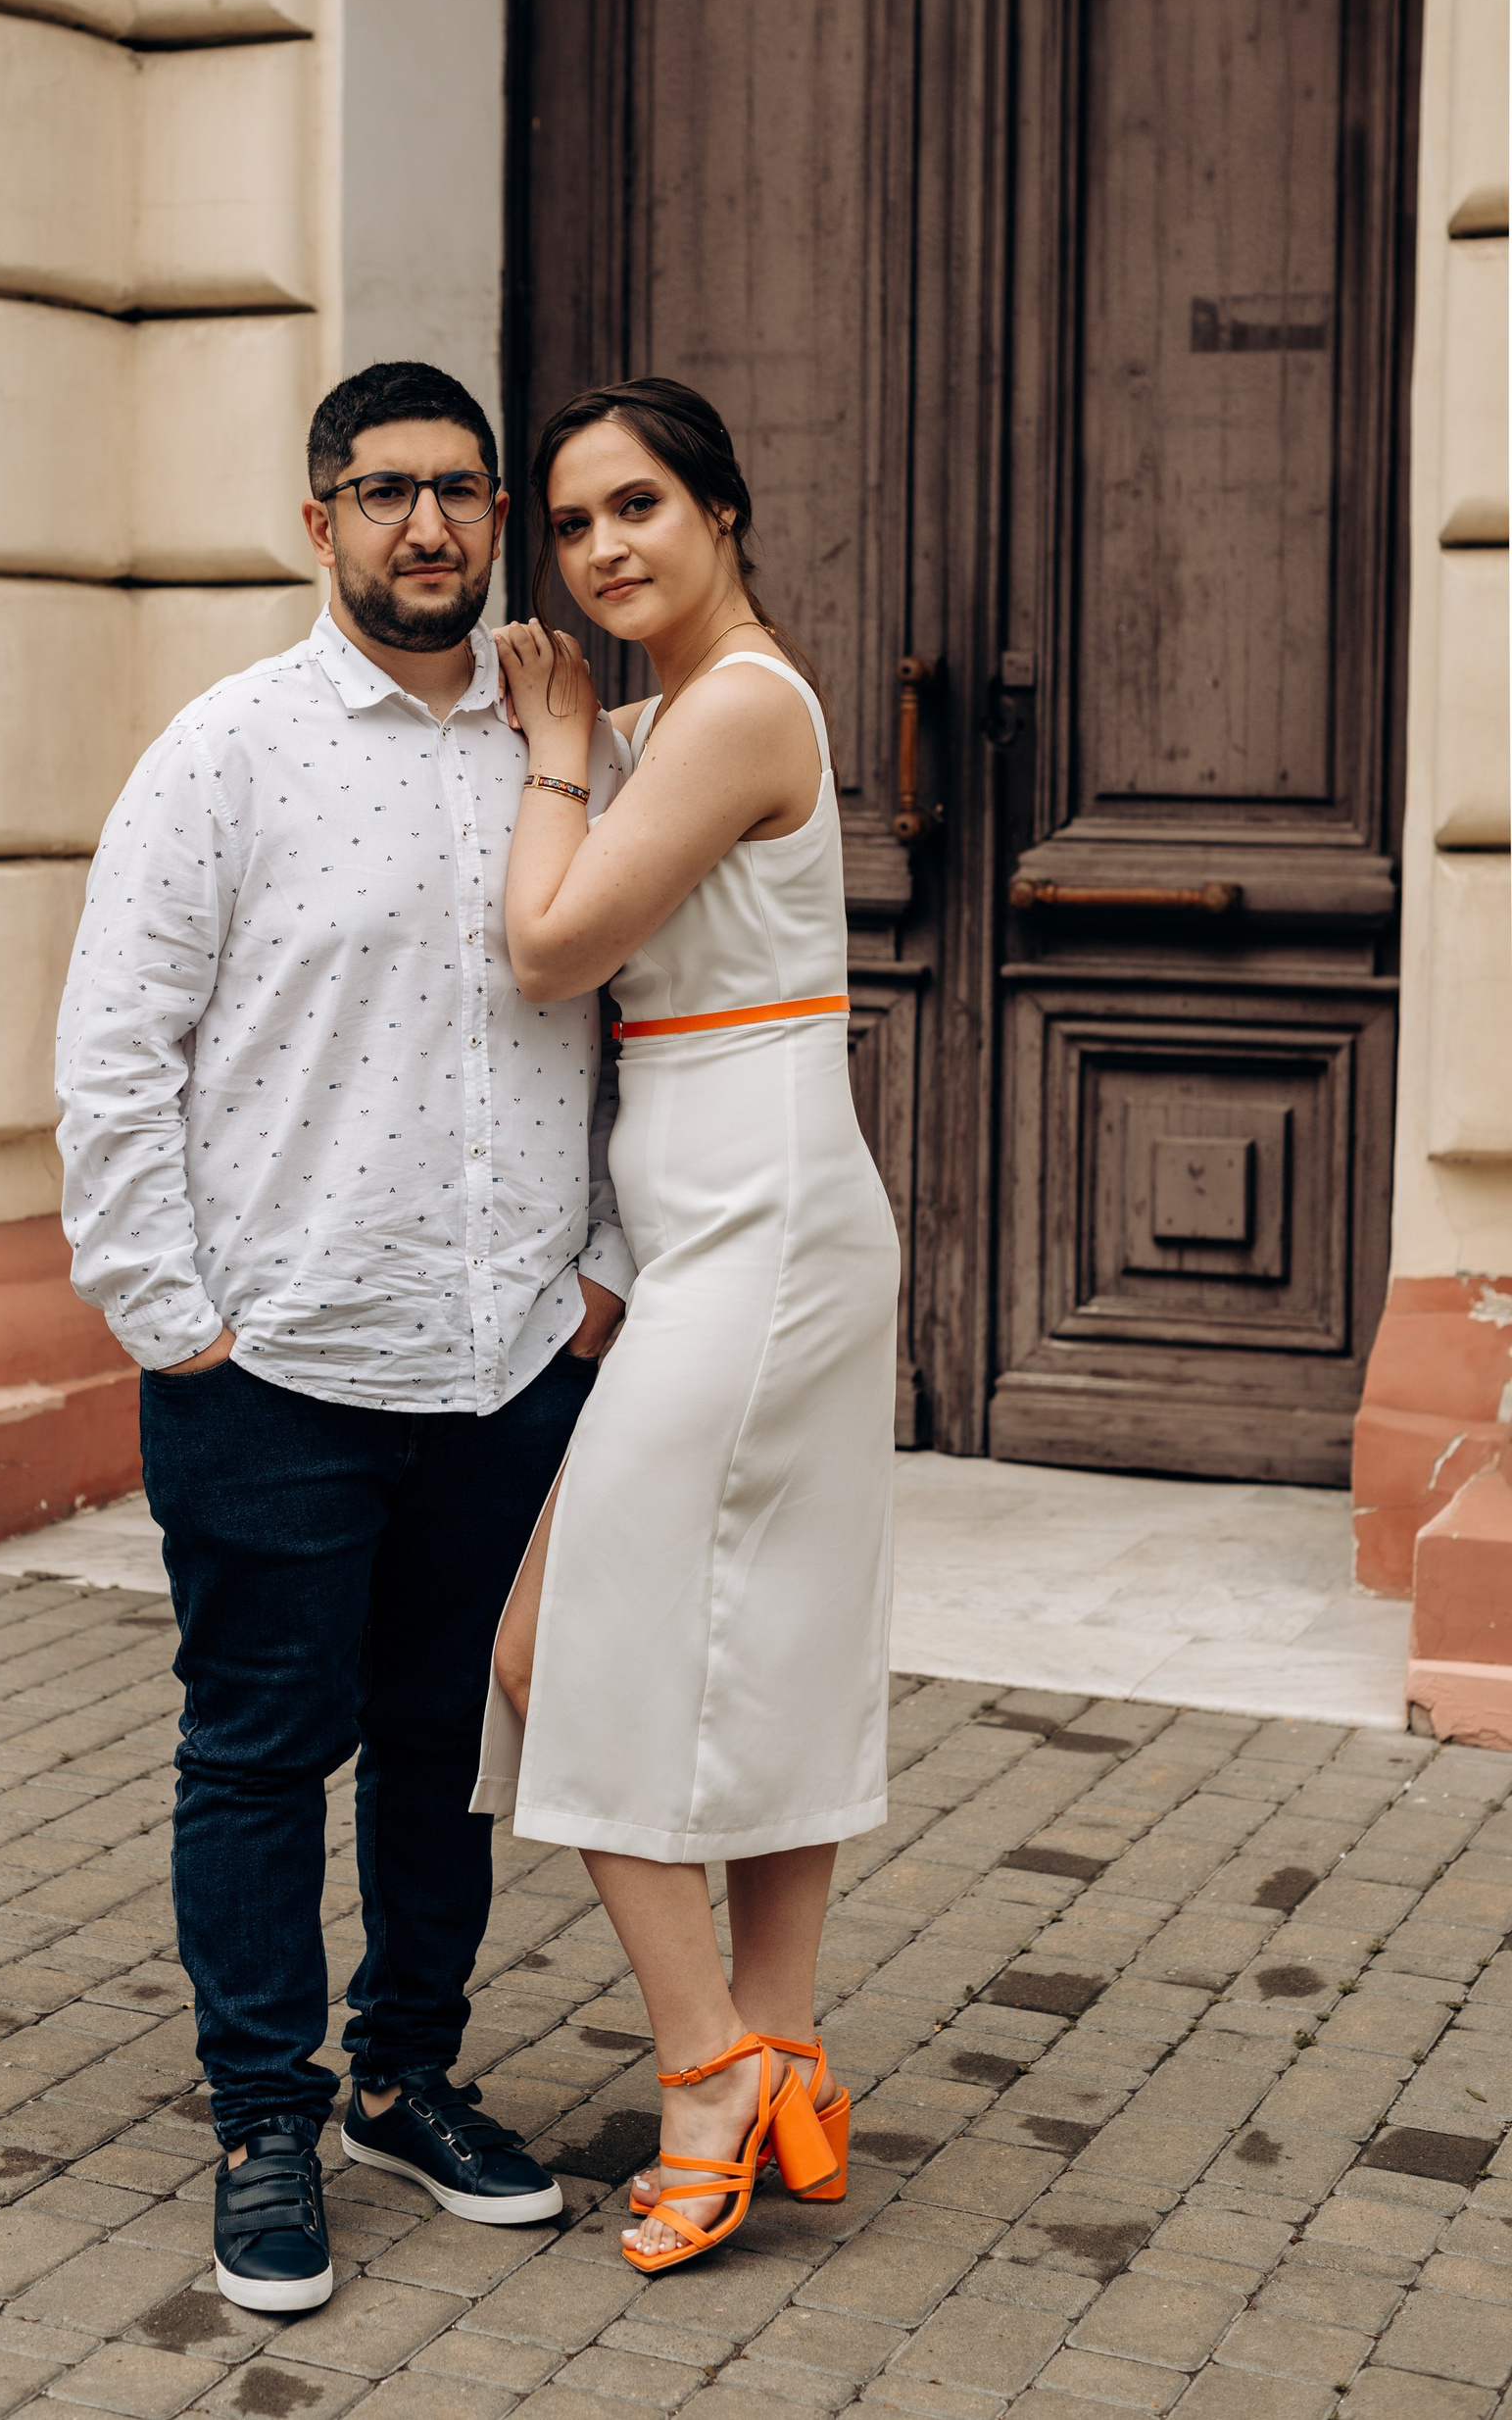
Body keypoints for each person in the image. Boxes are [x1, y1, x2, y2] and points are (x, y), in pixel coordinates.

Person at [55, 362, 635, 2315]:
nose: (428, 527)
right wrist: (174, 1319)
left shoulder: (565, 747)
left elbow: (638, 1019)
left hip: (504, 1357)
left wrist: (600, 1274)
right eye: (387, 492)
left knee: (442, 1746)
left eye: (461, 490)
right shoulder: (224, 754)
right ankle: (261, 2118)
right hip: (275, 1365)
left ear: (497, 515)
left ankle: (407, 2078)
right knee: (257, 1751)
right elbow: (114, 1055)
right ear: (320, 520)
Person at [474, 375, 899, 2275]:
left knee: (546, 1646)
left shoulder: (731, 709)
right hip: (716, 1219)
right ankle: (781, 2042)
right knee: (768, 1632)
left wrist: (556, 753)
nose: (601, 550)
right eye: (571, 524)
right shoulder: (669, 719)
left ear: (722, 509)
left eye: (636, 504)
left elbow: (549, 946)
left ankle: (705, 2063)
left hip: (767, 1223)